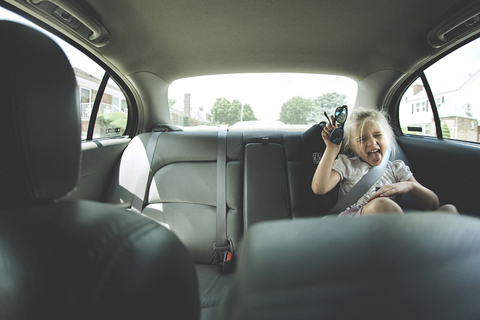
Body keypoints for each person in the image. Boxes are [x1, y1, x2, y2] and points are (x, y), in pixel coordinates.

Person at [311, 108, 458, 216]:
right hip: (356, 222)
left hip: (388, 223)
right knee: (383, 205)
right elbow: (319, 188)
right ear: (351, 146)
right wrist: (331, 149)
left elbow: (433, 204)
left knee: (449, 210)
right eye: (362, 139)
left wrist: (409, 186)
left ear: (387, 138)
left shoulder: (396, 168)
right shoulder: (347, 164)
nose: (372, 143)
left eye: (378, 135)